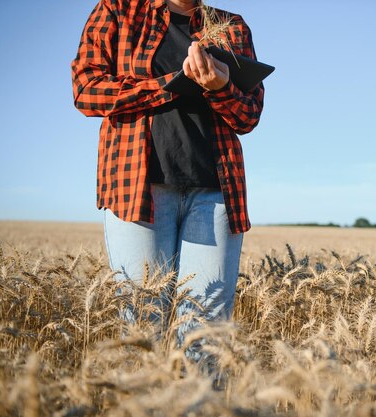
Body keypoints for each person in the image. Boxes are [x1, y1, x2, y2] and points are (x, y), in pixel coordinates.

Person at [70, 0, 265, 362]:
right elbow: (86, 89)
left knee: (204, 339)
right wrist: (171, 85)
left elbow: (249, 115)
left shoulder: (230, 26)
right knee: (143, 331)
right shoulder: (118, 10)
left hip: (215, 195)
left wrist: (221, 87)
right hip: (139, 192)